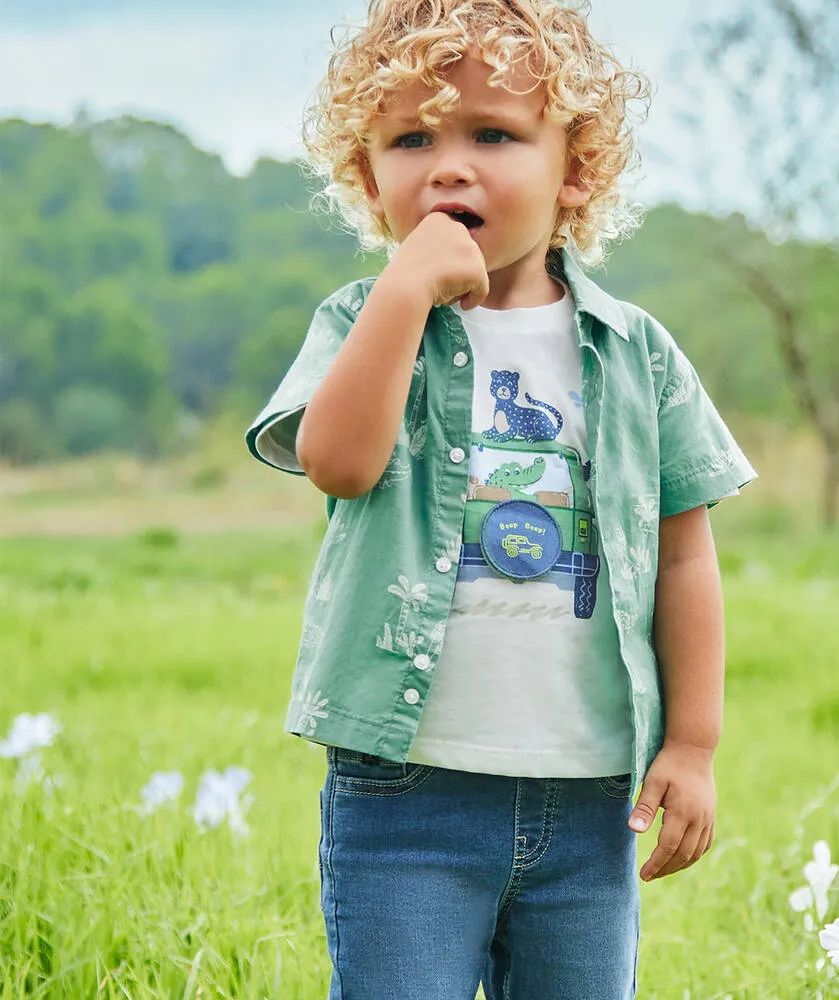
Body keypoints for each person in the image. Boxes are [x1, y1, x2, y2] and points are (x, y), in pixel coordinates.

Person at [246, 0, 756, 996]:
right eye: (410, 139)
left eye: (491, 133)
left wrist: (691, 743)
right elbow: (338, 462)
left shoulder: (636, 352)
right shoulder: (361, 321)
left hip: (588, 800)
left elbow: (686, 555)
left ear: (575, 170)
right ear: (367, 178)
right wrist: (404, 292)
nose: (447, 164)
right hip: (404, 798)